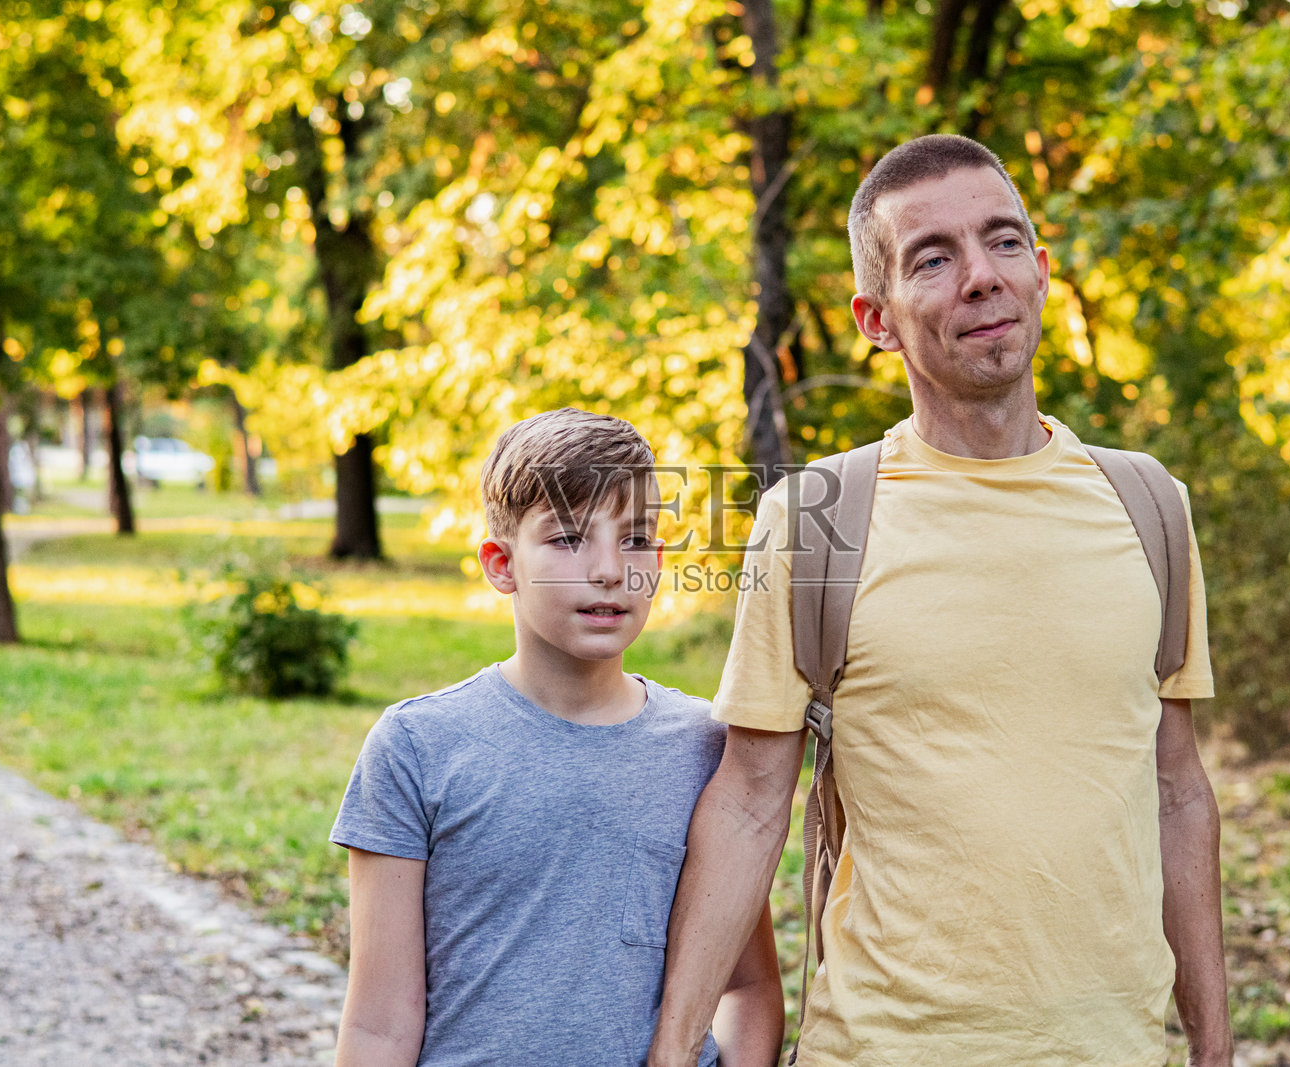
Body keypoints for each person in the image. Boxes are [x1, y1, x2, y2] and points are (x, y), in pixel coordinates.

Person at [648, 135, 1232, 1066]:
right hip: (884, 1045)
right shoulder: (815, 519)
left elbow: (1178, 791)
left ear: (1040, 272)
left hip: (1113, 1047)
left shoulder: (1150, 504)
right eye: (932, 259)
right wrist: (673, 1048)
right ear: (875, 319)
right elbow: (751, 801)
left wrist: (1213, 1044)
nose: (981, 276)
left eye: (1003, 242)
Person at [330, 408, 784, 1067]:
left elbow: (746, 986)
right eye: (568, 538)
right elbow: (378, 1025)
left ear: (658, 562)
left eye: (634, 539)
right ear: (501, 564)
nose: (608, 569)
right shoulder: (416, 747)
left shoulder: (708, 747)